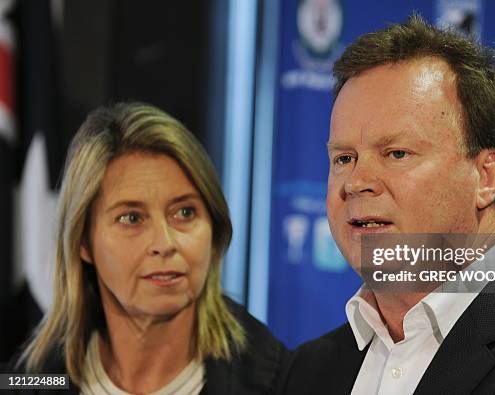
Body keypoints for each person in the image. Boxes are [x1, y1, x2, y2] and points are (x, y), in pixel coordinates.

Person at [281, 15, 495, 394]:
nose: (356, 182)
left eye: (397, 153)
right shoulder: (309, 370)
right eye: (343, 158)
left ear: (486, 177)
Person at [7, 102, 287, 394]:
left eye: (185, 213)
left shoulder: (281, 383)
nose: (164, 245)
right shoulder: (27, 382)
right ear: (83, 243)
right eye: (131, 218)